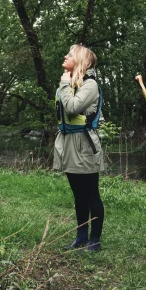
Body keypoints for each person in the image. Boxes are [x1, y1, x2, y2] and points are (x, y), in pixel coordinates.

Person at [54, 45, 105, 252]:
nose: (65, 56)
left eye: (70, 55)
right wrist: (66, 84)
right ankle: (81, 236)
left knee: (91, 193)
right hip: (67, 142)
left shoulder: (90, 85)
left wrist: (65, 84)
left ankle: (95, 240)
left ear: (81, 61)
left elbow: (73, 107)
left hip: (84, 145)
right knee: (78, 195)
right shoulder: (68, 82)